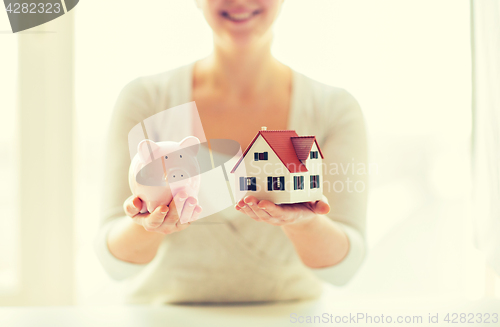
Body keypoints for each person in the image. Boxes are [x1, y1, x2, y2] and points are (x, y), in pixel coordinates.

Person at [95, 0, 368, 304]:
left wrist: (304, 224)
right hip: (167, 318)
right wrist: (148, 226)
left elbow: (344, 270)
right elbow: (113, 264)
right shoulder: (147, 99)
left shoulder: (333, 109)